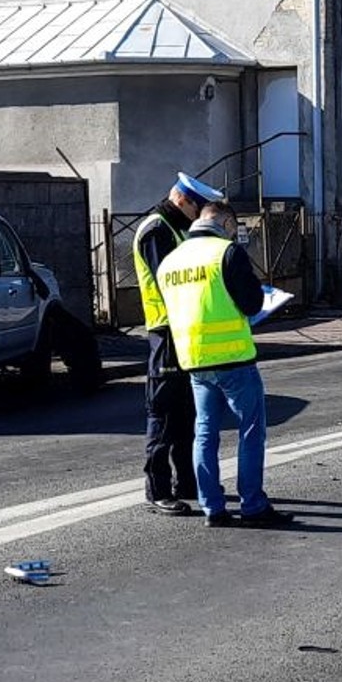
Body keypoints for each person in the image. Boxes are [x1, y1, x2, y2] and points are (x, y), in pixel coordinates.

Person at [156, 199, 291, 528]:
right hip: (234, 358)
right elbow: (251, 303)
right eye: (235, 229)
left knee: (204, 433)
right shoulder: (227, 253)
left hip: (195, 361)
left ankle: (212, 508)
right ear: (227, 224)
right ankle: (253, 505)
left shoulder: (169, 263)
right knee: (250, 431)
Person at [130, 173, 217, 516]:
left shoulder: (176, 228)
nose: (198, 216)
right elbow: (172, 280)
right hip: (165, 330)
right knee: (164, 412)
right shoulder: (157, 230)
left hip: (184, 329)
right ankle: (158, 490)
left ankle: (187, 483)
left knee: (186, 413)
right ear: (183, 199)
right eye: (197, 208)